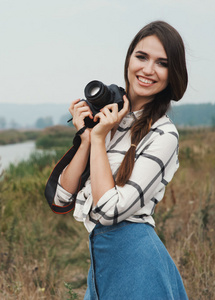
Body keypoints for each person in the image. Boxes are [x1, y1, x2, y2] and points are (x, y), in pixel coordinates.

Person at [44, 21, 188, 299]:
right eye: (142, 57)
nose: (148, 70)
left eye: (162, 63)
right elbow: (62, 198)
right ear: (129, 59)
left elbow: (109, 212)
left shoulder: (163, 134)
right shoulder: (109, 119)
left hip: (138, 262)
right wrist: (87, 139)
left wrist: (99, 140)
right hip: (102, 261)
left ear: (173, 74)